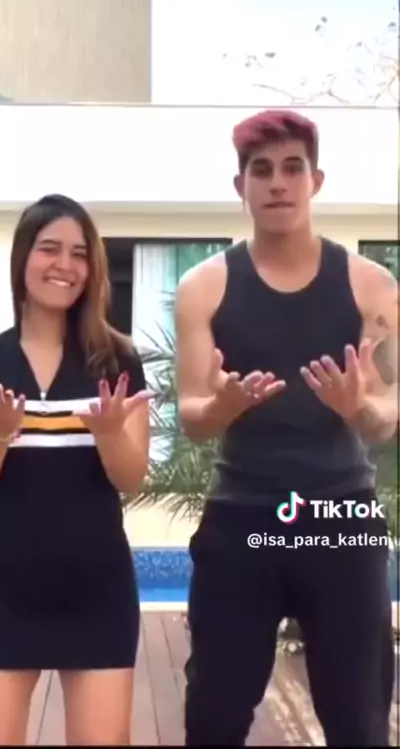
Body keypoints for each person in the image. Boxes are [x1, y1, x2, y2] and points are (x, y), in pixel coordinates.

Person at [174, 110, 398, 746]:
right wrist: (224, 405)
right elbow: (193, 415)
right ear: (240, 186)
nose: (277, 182)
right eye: (262, 170)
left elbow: (388, 415)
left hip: (340, 513)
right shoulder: (204, 288)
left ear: (316, 181)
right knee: (214, 717)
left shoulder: (371, 287)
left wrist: (358, 408)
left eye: (292, 168)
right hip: (242, 515)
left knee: (358, 719)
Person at [0, 194, 152, 746]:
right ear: (23, 258)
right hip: (1, 590)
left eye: (79, 254)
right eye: (49, 248)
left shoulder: (118, 362)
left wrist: (109, 434)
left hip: (98, 590)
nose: (65, 265)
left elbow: (130, 478)